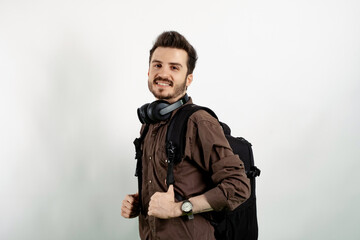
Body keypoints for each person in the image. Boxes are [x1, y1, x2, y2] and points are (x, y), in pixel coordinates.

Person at [121, 31, 250, 240]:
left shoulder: (199, 122)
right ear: (148, 71)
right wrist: (140, 201)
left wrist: (179, 208)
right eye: (157, 65)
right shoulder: (149, 124)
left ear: (188, 78)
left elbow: (238, 187)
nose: (163, 73)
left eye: (174, 67)